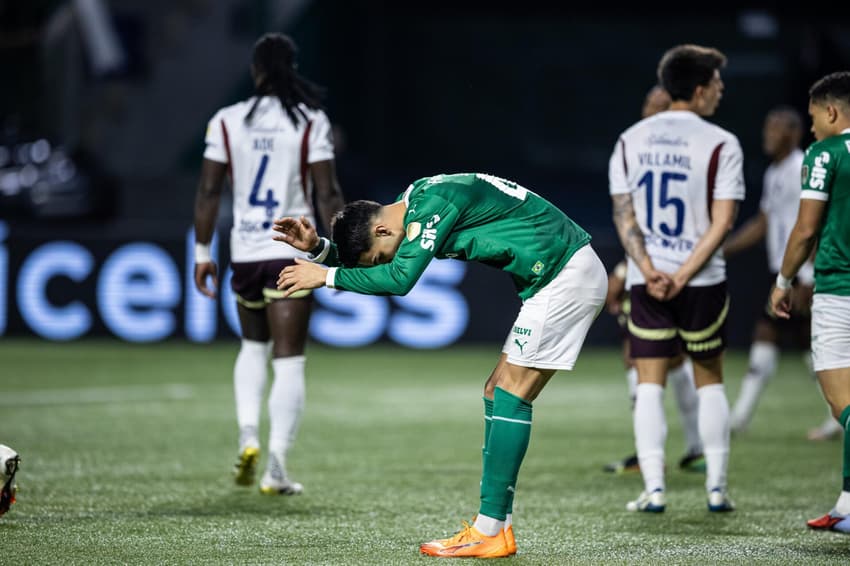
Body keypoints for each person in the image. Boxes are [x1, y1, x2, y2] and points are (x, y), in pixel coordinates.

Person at [273, 172, 607, 558]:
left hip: (563, 276)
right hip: (555, 275)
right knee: (496, 391)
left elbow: (399, 279)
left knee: (511, 393)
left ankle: (490, 532)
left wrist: (327, 276)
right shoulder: (413, 201)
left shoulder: (431, 204)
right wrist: (321, 250)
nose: (387, 260)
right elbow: (388, 262)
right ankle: (494, 527)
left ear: (381, 229)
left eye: (381, 254)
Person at [192, 32, 345, 495]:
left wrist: (202, 252)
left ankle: (246, 436)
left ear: (255, 70)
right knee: (290, 361)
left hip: (244, 252)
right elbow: (327, 193)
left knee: (252, 349)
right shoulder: (310, 122)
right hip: (289, 252)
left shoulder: (227, 120)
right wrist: (340, 251)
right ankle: (276, 465)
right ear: (292, 68)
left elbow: (208, 192)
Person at [609, 44, 744, 513]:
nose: (721, 95)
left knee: (648, 383)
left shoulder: (629, 139)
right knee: (709, 379)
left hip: (648, 281)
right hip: (702, 279)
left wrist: (649, 271)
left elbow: (624, 215)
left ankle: (655, 489)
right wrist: (685, 274)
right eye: (719, 86)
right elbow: (722, 221)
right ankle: (717, 488)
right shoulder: (722, 142)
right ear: (702, 89)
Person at [604, 84, 705, 475]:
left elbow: (633, 219)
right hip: (679, 270)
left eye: (658, 105)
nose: (651, 111)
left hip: (657, 271)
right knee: (678, 359)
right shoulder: (700, 148)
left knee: (639, 357)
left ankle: (652, 459)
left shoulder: (636, 149)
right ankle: (696, 448)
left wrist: (627, 271)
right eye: (648, 104)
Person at [723, 106, 839, 439]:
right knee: (806, 344)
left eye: (775, 130)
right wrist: (723, 249)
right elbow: (763, 223)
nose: (768, 136)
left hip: (800, 276)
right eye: (767, 129)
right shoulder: (777, 172)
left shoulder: (802, 167)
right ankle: (834, 416)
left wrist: (808, 275)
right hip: (785, 274)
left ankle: (739, 419)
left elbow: (813, 223)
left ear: (793, 133)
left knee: (781, 338)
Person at [770, 71, 850, 533]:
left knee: (842, 401)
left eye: (816, 114)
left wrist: (783, 280)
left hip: (840, 289)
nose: (813, 124)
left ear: (833, 112)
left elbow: (805, 229)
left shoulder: (826, 154)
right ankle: (845, 500)